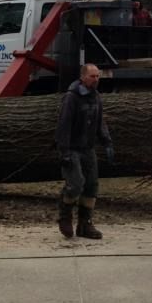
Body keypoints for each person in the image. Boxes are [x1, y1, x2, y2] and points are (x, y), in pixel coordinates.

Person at [55, 63, 114, 240]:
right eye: (92, 76)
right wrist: (64, 152)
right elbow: (63, 126)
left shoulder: (96, 97)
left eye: (98, 76)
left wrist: (107, 142)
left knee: (91, 186)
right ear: (83, 77)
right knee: (76, 184)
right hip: (72, 149)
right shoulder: (71, 98)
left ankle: (85, 224)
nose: (96, 80)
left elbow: (100, 122)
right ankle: (64, 217)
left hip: (88, 149)